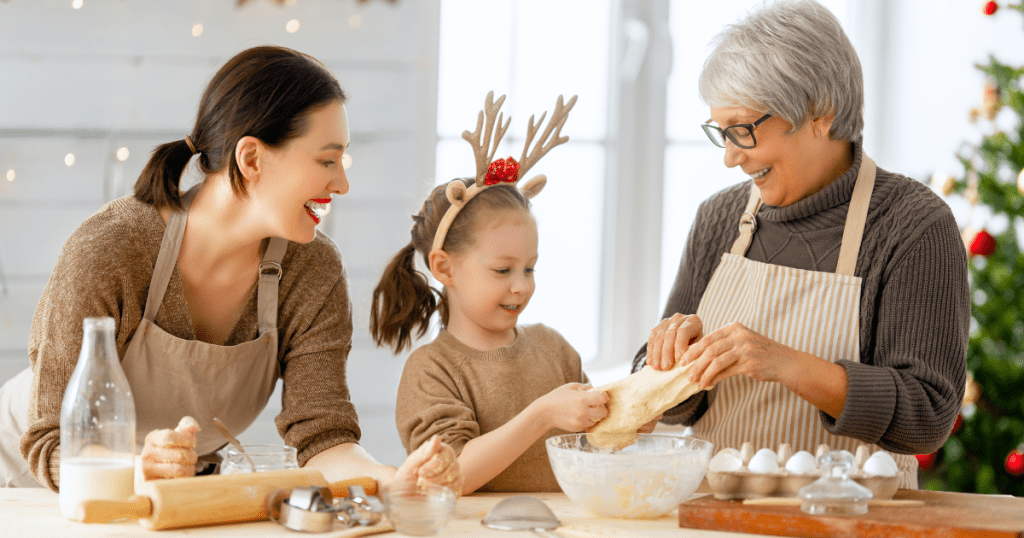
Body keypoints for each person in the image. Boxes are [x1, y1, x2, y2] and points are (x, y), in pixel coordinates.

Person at [0, 45, 460, 492]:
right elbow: (52, 441)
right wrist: (140, 468)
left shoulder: (312, 269)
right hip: (30, 480)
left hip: (166, 493)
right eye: (327, 160)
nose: (342, 183)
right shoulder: (111, 249)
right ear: (252, 158)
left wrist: (394, 480)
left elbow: (324, 439)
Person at [639, 0, 968, 489]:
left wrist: (787, 363)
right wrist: (662, 363)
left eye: (743, 130)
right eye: (720, 132)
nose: (730, 157)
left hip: (852, 519)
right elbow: (674, 401)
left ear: (820, 112)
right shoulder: (720, 218)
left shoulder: (913, 227)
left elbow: (927, 416)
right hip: (716, 514)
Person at [372, 92, 609, 494]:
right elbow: (451, 476)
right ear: (444, 267)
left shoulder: (554, 349)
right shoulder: (431, 370)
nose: (522, 285)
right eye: (503, 270)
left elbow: (595, 447)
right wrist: (543, 414)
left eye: (529, 268)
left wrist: (627, 420)